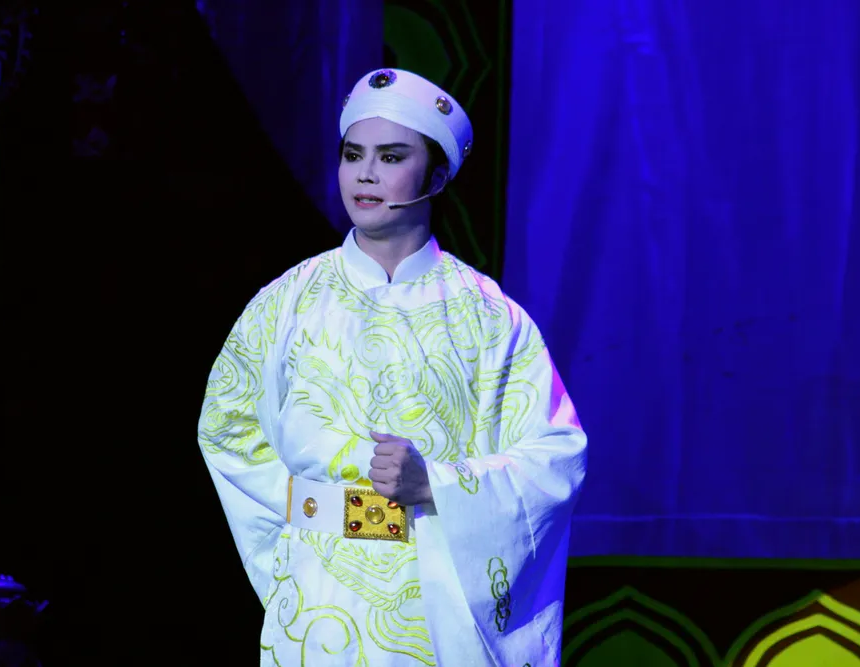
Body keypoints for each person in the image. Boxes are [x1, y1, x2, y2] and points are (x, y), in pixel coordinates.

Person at [197, 68, 587, 666]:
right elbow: (227, 430)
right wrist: (301, 531)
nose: (366, 174)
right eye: (353, 155)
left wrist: (437, 485)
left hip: (438, 600)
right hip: (318, 598)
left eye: (391, 156)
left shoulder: (489, 316)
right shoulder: (287, 303)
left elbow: (555, 456)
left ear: (437, 175)